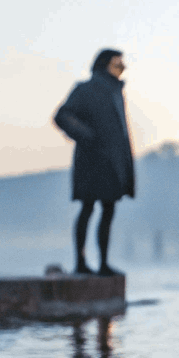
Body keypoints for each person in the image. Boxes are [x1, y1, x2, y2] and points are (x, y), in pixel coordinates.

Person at [54, 49, 135, 275]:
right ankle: (80, 262)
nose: (123, 67)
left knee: (108, 209)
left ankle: (103, 264)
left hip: (113, 162)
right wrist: (87, 136)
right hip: (91, 161)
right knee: (88, 208)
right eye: (118, 63)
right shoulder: (86, 89)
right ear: (105, 65)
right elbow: (62, 116)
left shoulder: (116, 91)